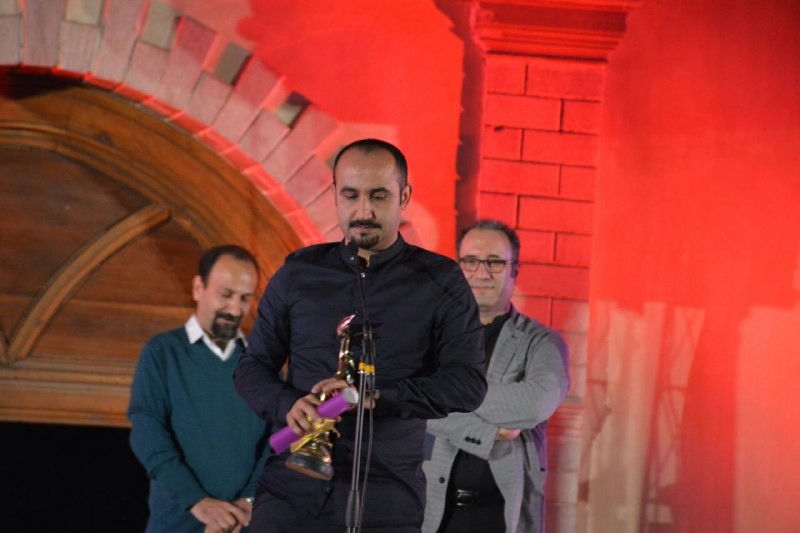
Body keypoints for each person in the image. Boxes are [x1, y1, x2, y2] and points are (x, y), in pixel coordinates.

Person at [233, 138, 487, 532]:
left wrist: (377, 397)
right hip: (290, 494)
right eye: (351, 195)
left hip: (386, 498)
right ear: (335, 194)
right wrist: (288, 403)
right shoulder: (299, 272)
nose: (363, 211)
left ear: (404, 196)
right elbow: (251, 368)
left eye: (378, 196)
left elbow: (468, 383)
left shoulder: (440, 281)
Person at [422, 220, 571, 533]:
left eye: (495, 262)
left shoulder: (542, 342)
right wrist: (488, 431)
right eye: (471, 261)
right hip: (431, 515)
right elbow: (409, 405)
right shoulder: (429, 338)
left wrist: (444, 393)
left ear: (515, 269)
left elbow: (534, 404)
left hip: (502, 516)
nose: (482, 272)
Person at [128, 245, 270, 533]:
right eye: (225, 294)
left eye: (245, 298)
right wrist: (198, 502)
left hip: (243, 525)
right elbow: (147, 434)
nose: (235, 309)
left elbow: (277, 443)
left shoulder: (265, 366)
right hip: (176, 525)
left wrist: (248, 501)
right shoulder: (162, 352)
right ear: (198, 288)